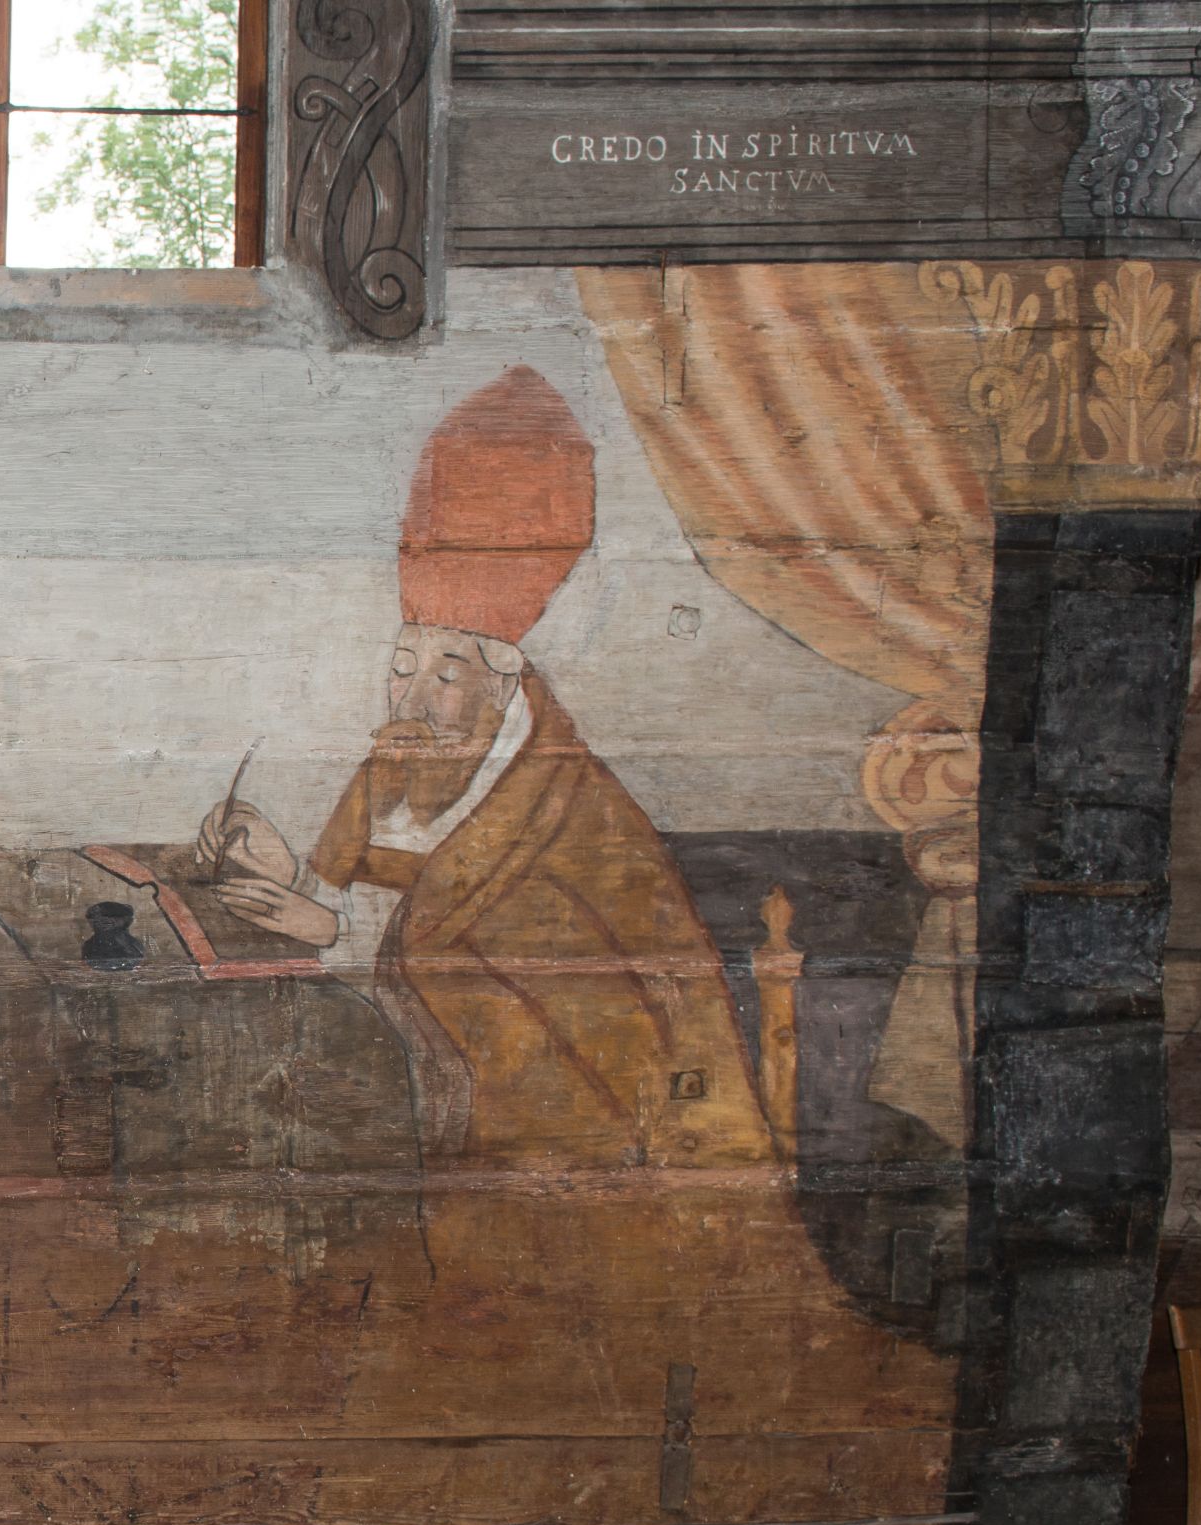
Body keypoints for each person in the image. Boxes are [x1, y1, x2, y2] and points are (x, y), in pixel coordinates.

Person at [196, 364, 777, 1176]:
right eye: (402, 666)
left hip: (579, 1138)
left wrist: (329, 931)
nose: (411, 696)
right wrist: (286, 871)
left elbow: (541, 1004)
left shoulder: (570, 812)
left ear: (503, 684)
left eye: (445, 672)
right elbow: (371, 902)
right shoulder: (398, 762)